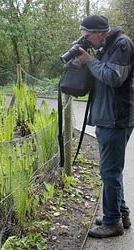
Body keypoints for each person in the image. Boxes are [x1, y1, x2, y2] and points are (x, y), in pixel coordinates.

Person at [76, 15, 134, 238]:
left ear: (100, 32)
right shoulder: (105, 46)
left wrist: (89, 61)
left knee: (109, 171)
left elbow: (113, 77)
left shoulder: (122, 44)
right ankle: (121, 214)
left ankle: (112, 223)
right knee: (111, 171)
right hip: (106, 117)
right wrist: (86, 60)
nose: (87, 41)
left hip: (116, 118)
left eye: (88, 37)